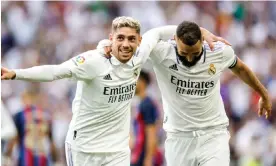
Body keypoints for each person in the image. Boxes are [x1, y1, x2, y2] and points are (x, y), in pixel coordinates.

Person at [1, 16, 228, 166]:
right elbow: (55, 71)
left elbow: (159, 32)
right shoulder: (93, 61)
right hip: (84, 148)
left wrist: (202, 31)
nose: (126, 44)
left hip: (117, 150)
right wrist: (16, 73)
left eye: (131, 39)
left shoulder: (140, 55)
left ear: (139, 41)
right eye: (120, 38)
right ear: (111, 39)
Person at [99, 21, 272, 166]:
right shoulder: (162, 52)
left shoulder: (217, 51)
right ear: (174, 40)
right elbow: (150, 35)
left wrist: (263, 94)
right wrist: (200, 29)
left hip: (213, 136)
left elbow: (240, 68)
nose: (189, 59)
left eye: (195, 54)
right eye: (184, 54)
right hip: (178, 139)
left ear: (202, 41)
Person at [4, 89, 57, 166]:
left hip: (26, 154)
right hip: (43, 154)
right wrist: (55, 158)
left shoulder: (19, 115)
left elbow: (14, 137)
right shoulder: (46, 114)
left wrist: (7, 155)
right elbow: (51, 140)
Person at [131, 70, 162, 166]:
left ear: (142, 82)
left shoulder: (147, 104)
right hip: (138, 154)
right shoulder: (141, 103)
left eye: (134, 81)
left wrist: (148, 158)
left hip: (143, 156)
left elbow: (151, 132)